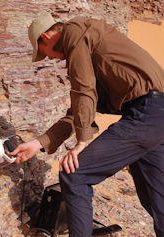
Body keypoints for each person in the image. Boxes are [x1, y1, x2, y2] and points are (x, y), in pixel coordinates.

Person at [10, 12, 164, 236]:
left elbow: (83, 89)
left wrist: (82, 142)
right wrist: (38, 143)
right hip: (156, 117)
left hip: (146, 113)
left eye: (45, 53)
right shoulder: (95, 49)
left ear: (46, 36)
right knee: (157, 199)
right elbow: (79, 111)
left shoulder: (74, 32)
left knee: (75, 174)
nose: (52, 60)